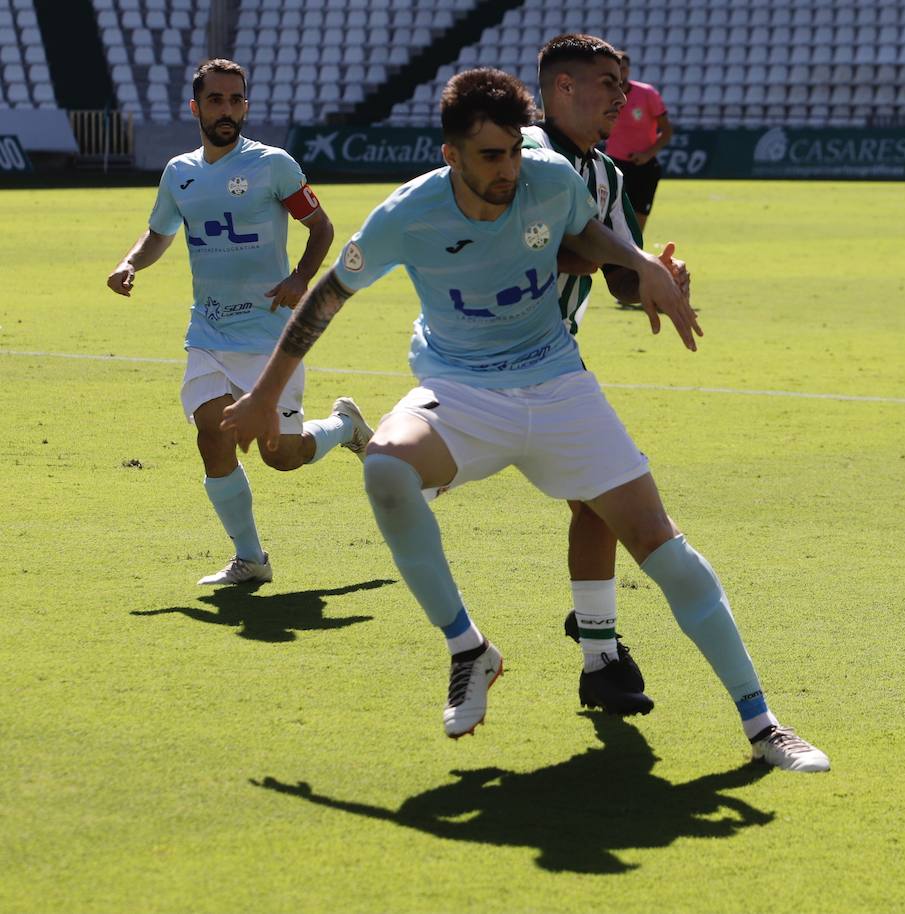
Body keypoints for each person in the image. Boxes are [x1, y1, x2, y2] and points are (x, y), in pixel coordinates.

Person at [220, 67, 829, 772]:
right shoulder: (406, 214)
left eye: (513, 149)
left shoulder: (549, 178)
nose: (508, 168)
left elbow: (593, 241)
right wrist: (266, 396)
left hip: (558, 384)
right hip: (464, 390)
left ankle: (764, 726)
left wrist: (642, 265)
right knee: (385, 467)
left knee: (667, 554)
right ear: (450, 154)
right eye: (489, 155)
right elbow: (327, 297)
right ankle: (468, 649)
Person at [105, 59, 371, 586]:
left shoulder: (273, 164)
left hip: (270, 334)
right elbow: (159, 233)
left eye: (236, 100)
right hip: (208, 330)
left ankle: (344, 426)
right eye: (217, 100)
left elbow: (321, 227)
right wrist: (131, 262)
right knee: (212, 435)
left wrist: (300, 278)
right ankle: (251, 559)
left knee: (283, 456)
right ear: (196, 107)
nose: (228, 110)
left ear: (245, 105)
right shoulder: (179, 172)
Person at [523, 33, 693, 718]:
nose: (623, 97)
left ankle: (600, 656)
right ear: (563, 87)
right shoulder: (522, 158)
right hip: (473, 362)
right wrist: (617, 262)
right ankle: (337, 434)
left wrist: (653, 276)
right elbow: (535, 254)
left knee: (599, 503)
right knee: (398, 482)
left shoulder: (608, 174)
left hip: (554, 361)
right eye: (609, 83)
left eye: (625, 84)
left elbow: (617, 273)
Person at [604, 50, 672, 232]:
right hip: (614, 164)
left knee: (639, 219)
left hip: (645, 166)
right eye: (616, 69)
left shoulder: (647, 94)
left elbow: (667, 131)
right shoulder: (602, 96)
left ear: (628, 70)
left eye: (623, 68)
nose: (620, 72)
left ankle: (633, 257)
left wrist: (647, 154)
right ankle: (614, 258)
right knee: (610, 218)